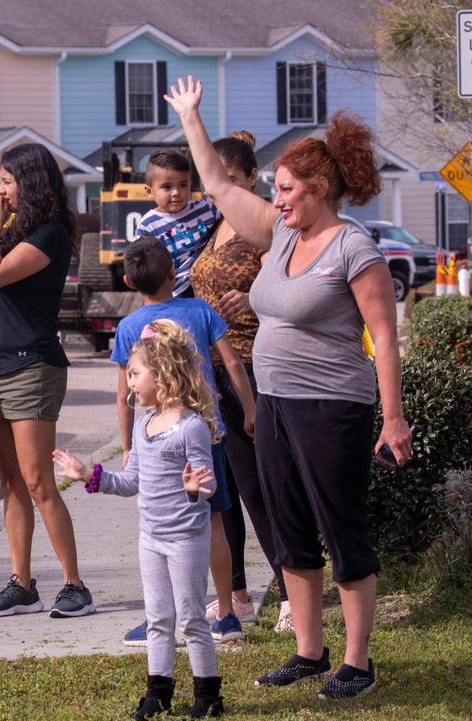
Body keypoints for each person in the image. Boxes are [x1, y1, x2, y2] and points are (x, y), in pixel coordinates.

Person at [166, 76, 412, 700]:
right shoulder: (281, 237)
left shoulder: (354, 250)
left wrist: (393, 418)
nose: (275, 200)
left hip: (334, 406)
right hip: (273, 402)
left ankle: (357, 661)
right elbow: (219, 184)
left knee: (340, 525)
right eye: (273, 191)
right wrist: (191, 116)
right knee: (289, 523)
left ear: (319, 188)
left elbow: (384, 339)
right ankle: (308, 650)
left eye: (284, 189)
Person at [0, 143, 95, 619]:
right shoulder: (16, 231)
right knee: (11, 482)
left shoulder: (50, 235)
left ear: (30, 184)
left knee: (37, 480)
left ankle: (74, 585)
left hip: (32, 367)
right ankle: (22, 583)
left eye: (6, 181)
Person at [54, 319, 226, 721]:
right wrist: (88, 475)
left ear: (162, 371)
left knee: (191, 617)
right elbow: (131, 481)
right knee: (159, 617)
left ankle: (208, 695)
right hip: (151, 538)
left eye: (134, 373)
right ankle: (158, 692)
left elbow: (210, 487)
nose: (129, 383)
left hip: (186, 539)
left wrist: (191, 488)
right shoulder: (143, 423)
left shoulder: (191, 427)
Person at [111, 237, 256, 646]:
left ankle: (161, 619)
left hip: (157, 441)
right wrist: (250, 410)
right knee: (213, 524)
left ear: (127, 281)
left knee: (159, 532)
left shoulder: (127, 329)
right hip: (205, 434)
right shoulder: (200, 310)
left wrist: (127, 448)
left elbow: (122, 396)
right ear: (176, 274)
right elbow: (231, 363)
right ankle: (226, 614)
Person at [188, 130, 292, 633]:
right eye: (215, 184)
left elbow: (289, 287)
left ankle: (294, 592)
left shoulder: (268, 230)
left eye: (231, 182)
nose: (222, 192)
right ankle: (237, 595)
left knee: (261, 488)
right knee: (222, 492)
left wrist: (252, 297)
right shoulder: (214, 230)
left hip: (254, 368)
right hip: (213, 375)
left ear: (252, 179)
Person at [135, 150, 221, 297]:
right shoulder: (148, 227)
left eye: (183, 185)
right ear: (149, 191)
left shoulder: (205, 209)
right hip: (175, 293)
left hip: (210, 283)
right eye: (167, 187)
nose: (176, 192)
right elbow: (147, 267)